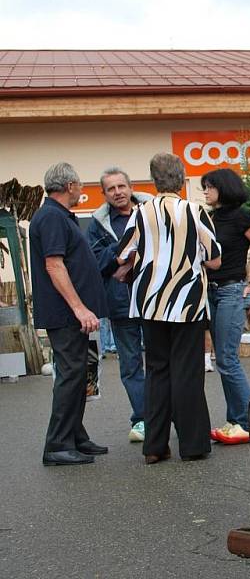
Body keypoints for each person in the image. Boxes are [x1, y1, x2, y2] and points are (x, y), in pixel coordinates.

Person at [115, 153, 221, 463]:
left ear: (153, 179)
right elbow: (215, 258)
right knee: (187, 372)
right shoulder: (195, 211)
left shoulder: (140, 213)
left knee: (157, 372)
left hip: (150, 302)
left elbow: (123, 254)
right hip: (187, 300)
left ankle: (155, 447)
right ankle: (193, 445)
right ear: (181, 177)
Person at [30, 162, 108, 466]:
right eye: (78, 185)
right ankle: (57, 445)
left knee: (77, 375)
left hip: (70, 314)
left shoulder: (58, 215)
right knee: (70, 375)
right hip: (65, 314)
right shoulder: (51, 217)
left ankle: (75, 436)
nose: (80, 190)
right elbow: (54, 265)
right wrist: (79, 308)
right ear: (70, 186)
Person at [202, 168, 250, 444]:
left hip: (232, 290)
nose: (205, 192)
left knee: (228, 360)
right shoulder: (208, 218)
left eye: (209, 187)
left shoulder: (243, 217)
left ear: (224, 188)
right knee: (223, 360)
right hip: (212, 291)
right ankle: (236, 420)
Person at [86, 167, 152, 442]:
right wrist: (122, 252)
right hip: (120, 304)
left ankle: (162, 415)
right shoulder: (97, 225)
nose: (117, 192)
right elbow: (95, 262)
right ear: (104, 194)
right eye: (111, 189)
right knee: (130, 365)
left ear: (130, 187)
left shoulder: (150, 212)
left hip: (153, 299)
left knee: (160, 361)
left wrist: (125, 259)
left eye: (121, 186)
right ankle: (142, 419)